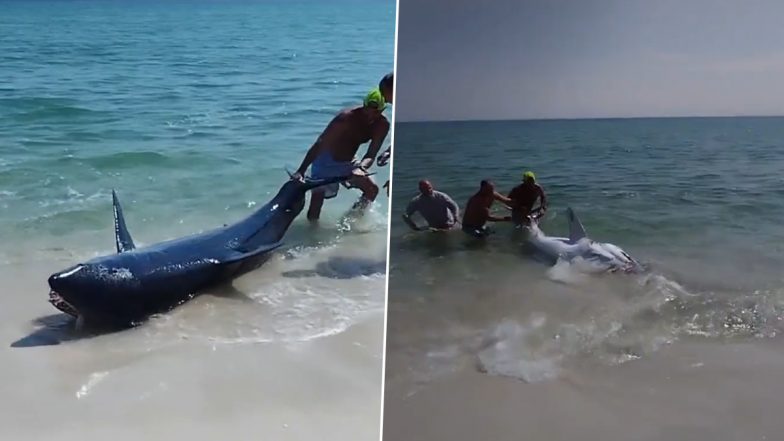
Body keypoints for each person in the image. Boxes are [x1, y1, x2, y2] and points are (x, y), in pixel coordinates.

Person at [291, 88, 390, 221]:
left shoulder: (382, 125)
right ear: (363, 105)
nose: (370, 116)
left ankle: (351, 220)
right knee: (316, 205)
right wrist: (301, 170)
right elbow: (320, 143)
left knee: (372, 190)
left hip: (349, 162)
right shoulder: (345, 118)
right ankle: (312, 234)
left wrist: (361, 167)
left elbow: (371, 154)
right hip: (325, 159)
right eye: (367, 111)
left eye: (376, 113)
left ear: (382, 110)